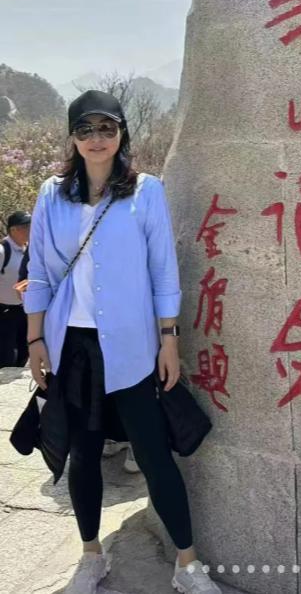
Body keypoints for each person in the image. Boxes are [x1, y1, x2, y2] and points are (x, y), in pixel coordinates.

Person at [24, 90, 220, 594]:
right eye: (85, 129)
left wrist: (169, 339)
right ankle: (92, 556)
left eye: (106, 128)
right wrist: (35, 338)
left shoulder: (145, 191)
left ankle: (187, 564)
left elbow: (163, 269)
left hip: (132, 345)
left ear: (121, 133)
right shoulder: (52, 194)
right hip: (72, 345)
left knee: (154, 454)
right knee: (84, 454)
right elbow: (40, 271)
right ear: (73, 137)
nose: (96, 138)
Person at [0, 210, 31, 367]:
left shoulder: (29, 250)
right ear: (13, 230)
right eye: (26, 227)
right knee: (7, 357)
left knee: (23, 353)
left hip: (23, 310)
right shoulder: (2, 251)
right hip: (4, 312)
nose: (30, 230)